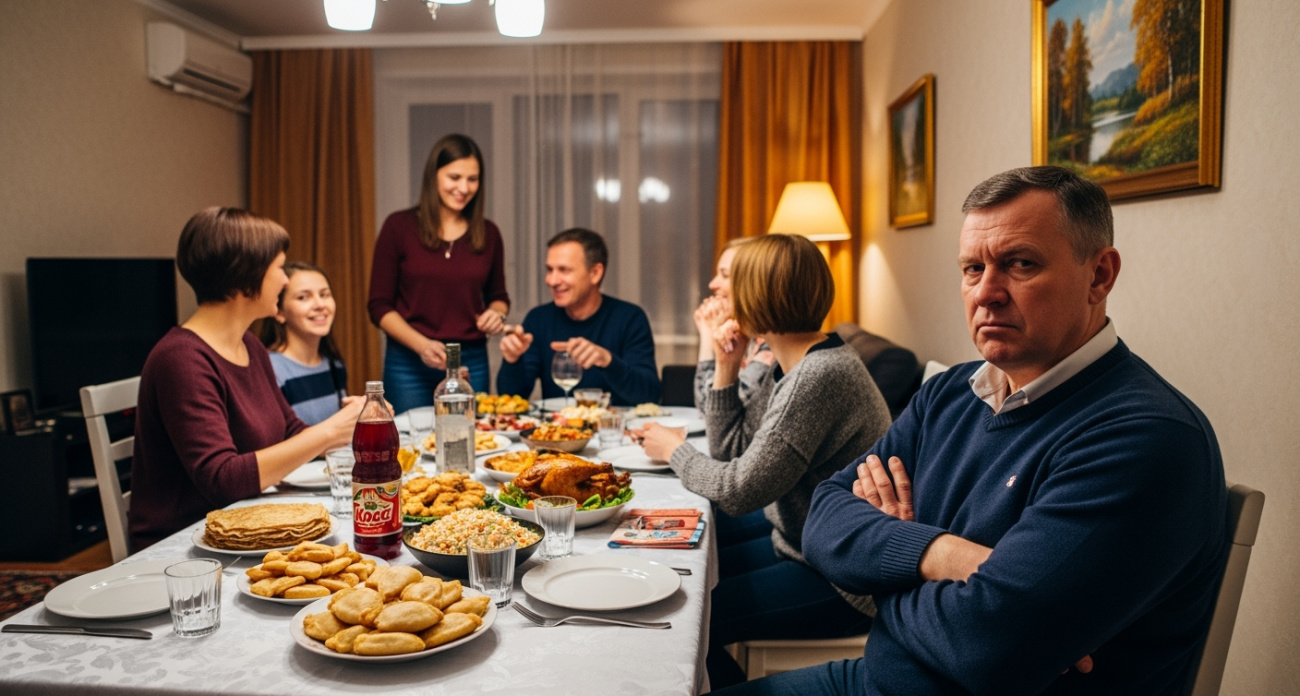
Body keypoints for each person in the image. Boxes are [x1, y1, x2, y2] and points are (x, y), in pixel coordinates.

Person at [716, 166, 1229, 695]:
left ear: (1099, 275)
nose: (987, 293)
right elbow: (824, 518)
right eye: (971, 269)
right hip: (878, 678)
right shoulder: (952, 391)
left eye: (1020, 264)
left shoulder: (1145, 438)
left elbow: (989, 649)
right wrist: (946, 557)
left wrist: (889, 564)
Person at [637, 234, 892, 690]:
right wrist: (726, 365)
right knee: (685, 572)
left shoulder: (818, 376)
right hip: (801, 540)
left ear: (761, 295)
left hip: (842, 579)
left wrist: (672, 450)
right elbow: (730, 450)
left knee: (686, 621)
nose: (721, 293)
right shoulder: (793, 363)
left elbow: (739, 490)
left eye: (734, 283)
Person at [131, 207, 364, 551]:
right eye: (279, 267)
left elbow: (290, 432)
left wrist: (358, 423)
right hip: (184, 551)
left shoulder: (250, 345)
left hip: (248, 528)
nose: (285, 280)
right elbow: (222, 479)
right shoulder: (181, 359)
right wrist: (330, 431)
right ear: (246, 275)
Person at [368, 133, 510, 412]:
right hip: (408, 362)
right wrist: (422, 346)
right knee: (410, 443)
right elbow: (378, 305)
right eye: (454, 177)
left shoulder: (489, 233)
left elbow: (499, 296)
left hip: (470, 360)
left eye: (472, 179)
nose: (464, 187)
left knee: (471, 440)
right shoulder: (398, 227)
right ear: (434, 176)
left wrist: (498, 314)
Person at [496, 227, 661, 406]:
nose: (552, 281)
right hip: (556, 430)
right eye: (550, 270)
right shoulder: (538, 319)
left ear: (595, 273)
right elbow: (512, 399)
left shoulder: (630, 318)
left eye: (564, 270)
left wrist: (607, 361)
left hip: (615, 431)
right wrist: (512, 361)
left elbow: (649, 395)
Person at [259, 261, 347, 426]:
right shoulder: (270, 369)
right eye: (303, 297)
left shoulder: (334, 365)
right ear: (279, 312)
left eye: (324, 294)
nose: (320, 305)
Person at [692, 237, 775, 411]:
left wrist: (707, 336)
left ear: (752, 283)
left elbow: (712, 410)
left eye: (725, 275)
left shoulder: (773, 344)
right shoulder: (743, 334)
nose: (712, 284)